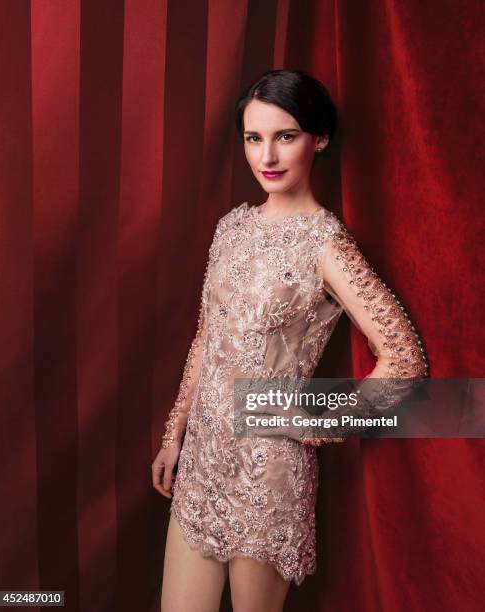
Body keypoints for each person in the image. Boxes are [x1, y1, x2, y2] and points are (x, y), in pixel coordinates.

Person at [152, 69, 428, 612]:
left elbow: (404, 357)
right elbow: (209, 334)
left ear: (318, 139)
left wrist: (317, 422)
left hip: (267, 468)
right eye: (254, 138)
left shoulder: (327, 244)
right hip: (202, 461)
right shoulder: (231, 227)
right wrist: (173, 432)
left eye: (286, 135)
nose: (267, 156)